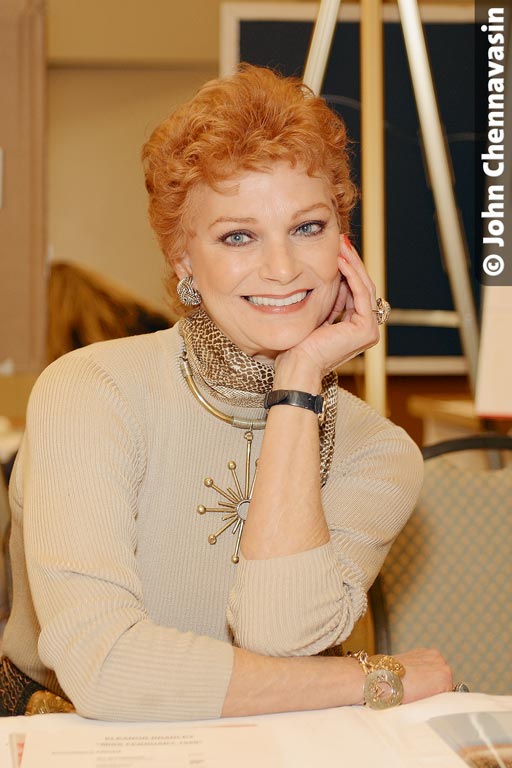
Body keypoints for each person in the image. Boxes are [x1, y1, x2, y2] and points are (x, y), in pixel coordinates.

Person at [1, 65, 452, 720]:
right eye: (238, 235)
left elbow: (281, 637)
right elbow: (106, 671)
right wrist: (368, 678)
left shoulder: (378, 452)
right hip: (79, 741)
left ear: (343, 243)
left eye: (307, 227)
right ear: (184, 258)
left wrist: (297, 384)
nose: (282, 268)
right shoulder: (91, 391)